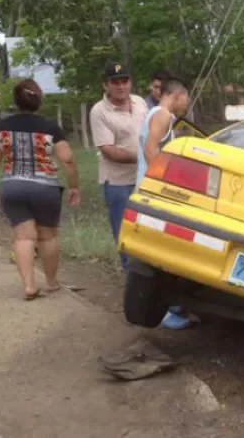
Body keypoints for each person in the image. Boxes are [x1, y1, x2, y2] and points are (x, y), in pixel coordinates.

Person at [0, 79, 81, 300]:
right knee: (47, 237)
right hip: (46, 189)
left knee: (23, 238)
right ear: (39, 101)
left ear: (15, 102)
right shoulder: (51, 128)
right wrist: (74, 186)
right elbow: (68, 160)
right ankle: (51, 283)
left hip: (12, 187)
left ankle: (28, 286)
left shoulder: (0, 128)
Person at [138, 70, 192, 330]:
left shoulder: (160, 115)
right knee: (157, 251)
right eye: (186, 99)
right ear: (178, 95)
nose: (187, 104)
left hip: (150, 190)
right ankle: (160, 311)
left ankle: (169, 305)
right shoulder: (162, 115)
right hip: (152, 193)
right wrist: (162, 185)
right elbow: (151, 150)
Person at [89, 62, 148, 272]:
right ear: (106, 85)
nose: (121, 87)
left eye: (125, 81)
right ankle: (132, 278)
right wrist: (144, 158)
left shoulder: (140, 102)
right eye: (115, 83)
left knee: (148, 231)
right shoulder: (99, 111)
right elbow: (108, 150)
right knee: (125, 232)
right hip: (118, 183)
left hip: (146, 179)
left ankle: (151, 280)